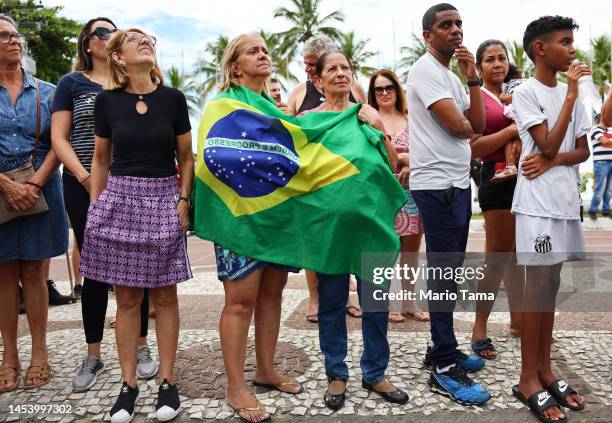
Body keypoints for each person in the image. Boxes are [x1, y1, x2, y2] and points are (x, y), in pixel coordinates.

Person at [79, 28, 194, 423]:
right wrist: (96, 207)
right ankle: (128, 386)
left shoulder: (173, 99)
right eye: (135, 39)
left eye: (149, 38)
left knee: (164, 297)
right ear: (119, 58)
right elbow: (100, 159)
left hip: (164, 196)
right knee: (126, 300)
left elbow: (187, 157)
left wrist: (183, 199)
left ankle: (167, 381)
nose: (146, 41)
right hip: (119, 199)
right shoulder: (106, 102)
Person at [201, 33, 304, 423]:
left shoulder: (275, 110)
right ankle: (236, 385)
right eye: (252, 51)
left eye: (265, 50)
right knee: (240, 300)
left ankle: (265, 369)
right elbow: (214, 155)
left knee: (273, 292)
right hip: (238, 217)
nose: (262, 55)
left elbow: (296, 158)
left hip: (275, 216)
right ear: (234, 65)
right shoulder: (222, 106)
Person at [51, 17, 157, 393]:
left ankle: (142, 346)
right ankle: (93, 352)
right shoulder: (72, 83)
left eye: (115, 32)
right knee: (94, 267)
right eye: (102, 32)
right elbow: (59, 138)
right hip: (84, 183)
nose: (110, 37)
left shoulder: (131, 83)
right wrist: (86, 178)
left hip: (133, 185)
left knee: (138, 267)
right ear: (88, 43)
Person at [299, 51, 407, 411]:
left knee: (376, 303)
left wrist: (378, 127)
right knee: (331, 305)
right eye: (332, 69)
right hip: (328, 231)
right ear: (318, 81)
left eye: (346, 68)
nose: (341, 73)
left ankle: (375, 372)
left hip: (371, 227)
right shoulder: (308, 121)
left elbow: (392, 167)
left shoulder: (366, 115)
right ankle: (336, 373)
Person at [405, 3, 491, 406]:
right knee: (442, 275)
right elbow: (462, 127)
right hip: (437, 186)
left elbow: (481, 124)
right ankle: (442, 365)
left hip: (456, 184)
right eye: (445, 25)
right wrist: (470, 113)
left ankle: (444, 345)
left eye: (458, 24)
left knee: (450, 273)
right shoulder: (425, 71)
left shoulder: (452, 76)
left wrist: (473, 77)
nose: (456, 30)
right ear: (428, 36)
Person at [511, 16, 591, 423]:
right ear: (540, 49)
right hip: (537, 205)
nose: (572, 49)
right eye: (564, 41)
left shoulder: (572, 93)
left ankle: (545, 368)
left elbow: (580, 152)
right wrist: (572, 96)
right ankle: (527, 377)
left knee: (551, 285)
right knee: (535, 287)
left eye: (572, 41)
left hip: (564, 203)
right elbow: (546, 141)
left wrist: (551, 160)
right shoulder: (525, 92)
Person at [0, 15, 68, 391]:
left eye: (16, 34)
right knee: (4, 275)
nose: (14, 40)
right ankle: (9, 357)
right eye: (4, 36)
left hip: (43, 188)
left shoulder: (48, 90)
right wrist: (7, 185)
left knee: (36, 275)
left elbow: (59, 142)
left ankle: (40, 354)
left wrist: (36, 182)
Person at [287, 34, 364, 322]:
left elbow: (366, 120)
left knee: (349, 239)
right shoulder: (298, 92)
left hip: (349, 180)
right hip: (315, 184)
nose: (307, 69)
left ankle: (347, 298)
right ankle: (316, 298)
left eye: (311, 64)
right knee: (315, 244)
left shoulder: (354, 88)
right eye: (306, 65)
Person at [469, 40, 524, 360]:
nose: (497, 64)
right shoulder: (476, 98)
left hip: (526, 178)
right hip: (494, 176)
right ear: (478, 67)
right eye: (489, 59)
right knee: (498, 257)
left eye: (502, 58)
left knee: (519, 257)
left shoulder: (518, 93)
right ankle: (480, 327)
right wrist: (511, 132)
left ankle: (519, 322)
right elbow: (474, 146)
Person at [367, 69, 428, 323]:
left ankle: (409, 302)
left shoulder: (410, 118)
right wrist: (399, 159)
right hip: (382, 193)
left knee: (411, 252)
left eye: (388, 87)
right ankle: (387, 301)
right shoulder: (369, 120)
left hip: (412, 193)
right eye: (378, 89)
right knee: (385, 250)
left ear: (397, 90)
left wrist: (409, 162)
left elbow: (426, 151)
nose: (384, 93)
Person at [587, 114, 612, 219]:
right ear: (602, 118)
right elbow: (604, 142)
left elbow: (607, 143)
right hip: (601, 162)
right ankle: (593, 210)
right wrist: (607, 142)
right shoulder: (595, 129)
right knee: (600, 189)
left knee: (609, 189)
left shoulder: (610, 130)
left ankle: (606, 210)